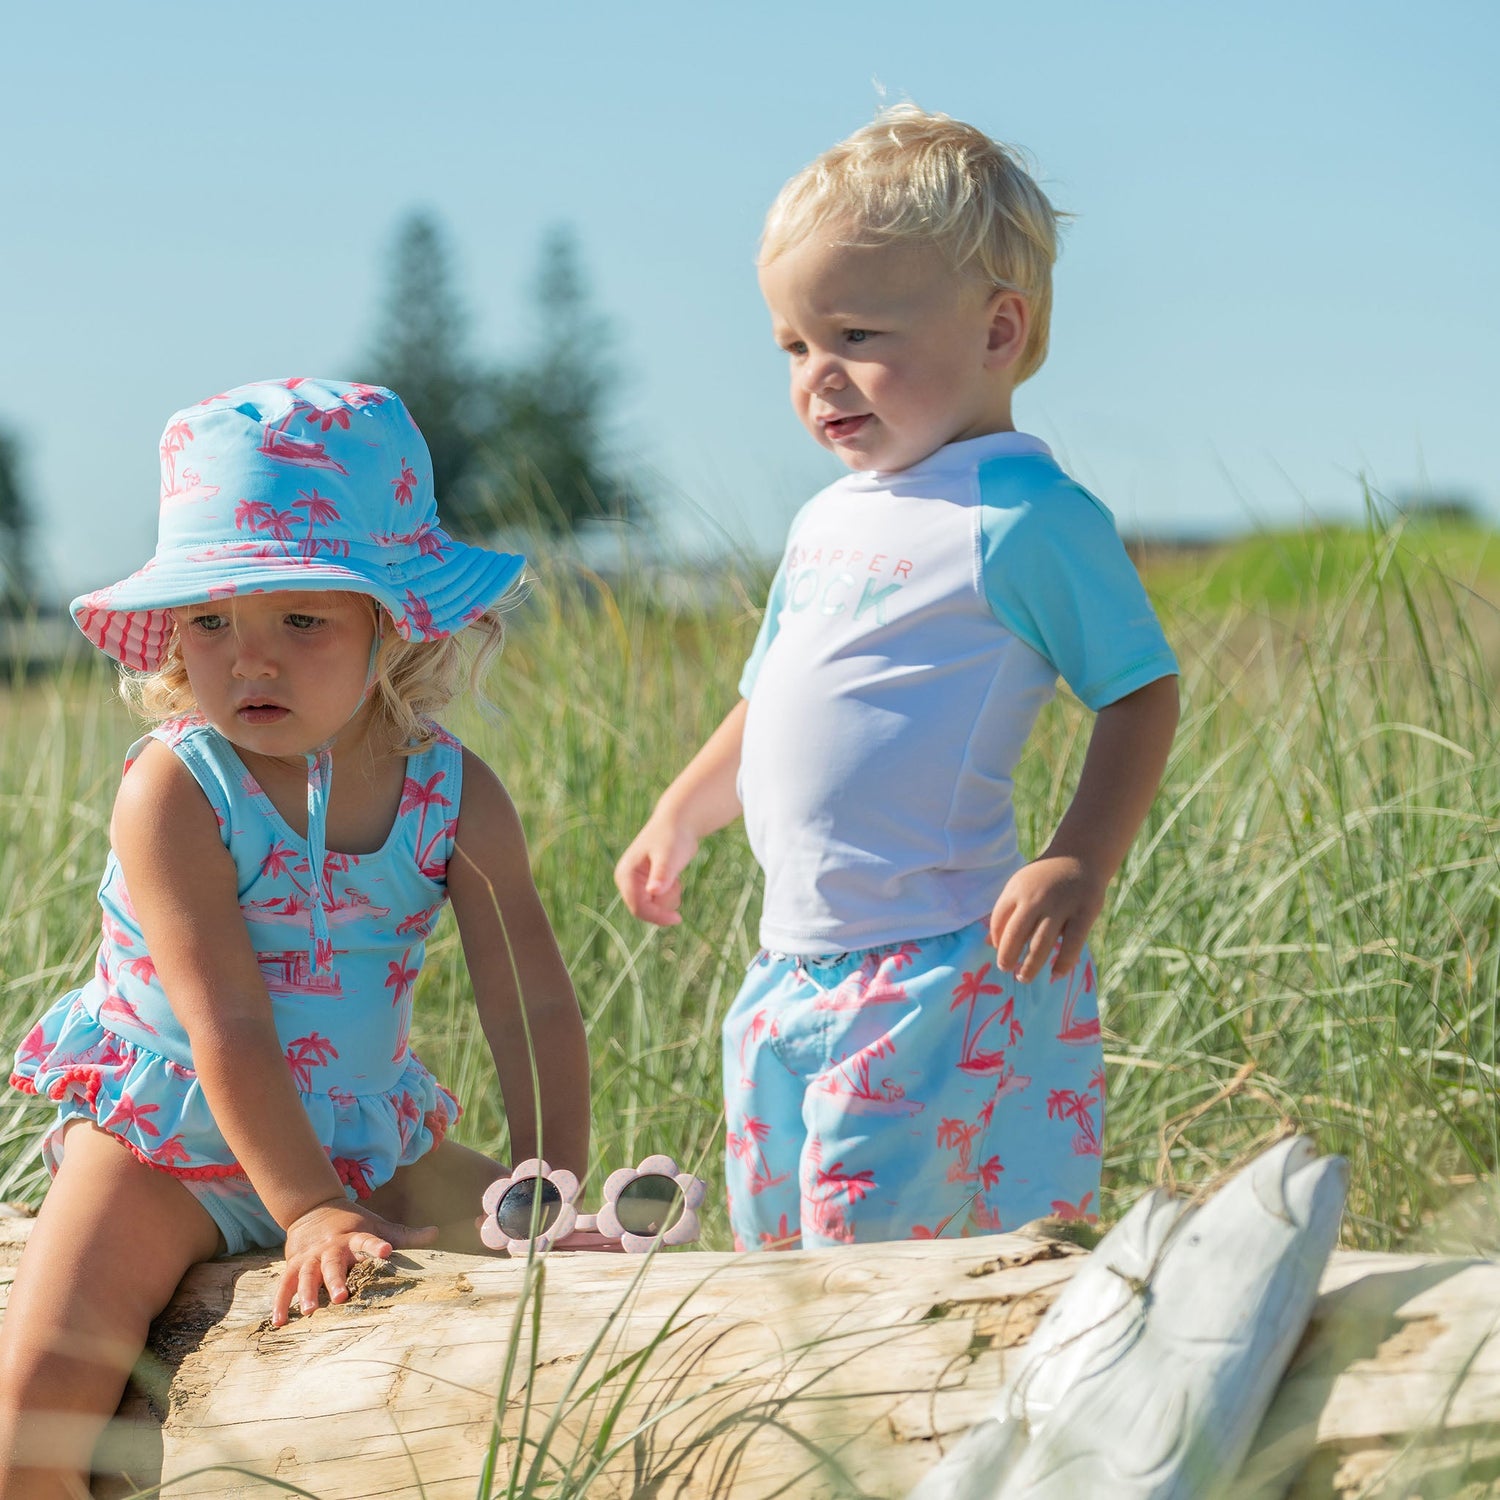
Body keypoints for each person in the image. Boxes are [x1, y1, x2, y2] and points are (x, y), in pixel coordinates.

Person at [0, 377, 591, 1496]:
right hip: (166, 1144)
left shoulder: (452, 794)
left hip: (366, 1137)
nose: (249, 659)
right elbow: (224, 1023)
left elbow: (533, 1002)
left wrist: (546, 1181)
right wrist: (309, 1210)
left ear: (392, 620)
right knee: (27, 1433)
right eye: (211, 621)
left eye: (301, 619)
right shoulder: (179, 788)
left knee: (582, 1285)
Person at [615, 107, 1181, 1251]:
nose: (819, 376)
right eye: (793, 346)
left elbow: (1139, 691)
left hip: (938, 966)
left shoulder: (1024, 514)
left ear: (999, 329)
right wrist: (682, 811)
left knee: (883, 1275)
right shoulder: (826, 518)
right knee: (780, 1265)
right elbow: (772, 698)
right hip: (791, 966)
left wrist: (1080, 856)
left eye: (857, 335)